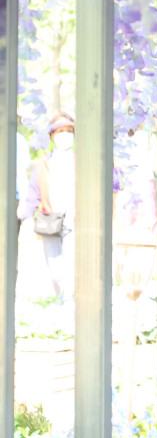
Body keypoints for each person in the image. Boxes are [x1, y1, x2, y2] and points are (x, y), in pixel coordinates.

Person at [21, 113, 77, 300]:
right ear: (52, 135)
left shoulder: (79, 161)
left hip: (73, 222)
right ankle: (62, 299)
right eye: (61, 131)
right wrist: (28, 217)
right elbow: (33, 191)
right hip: (50, 221)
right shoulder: (44, 163)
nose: (65, 135)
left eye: (69, 131)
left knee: (71, 266)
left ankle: (69, 305)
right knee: (55, 269)